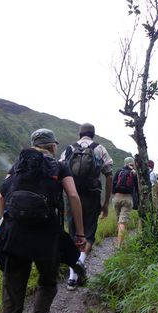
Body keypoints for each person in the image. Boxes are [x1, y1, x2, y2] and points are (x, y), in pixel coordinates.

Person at [0, 128, 86, 313]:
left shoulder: (18, 164)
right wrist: (79, 233)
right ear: (53, 146)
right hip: (46, 239)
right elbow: (73, 196)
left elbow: (1, 196)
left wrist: (4, 221)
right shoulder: (59, 166)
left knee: (11, 305)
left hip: (14, 239)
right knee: (48, 284)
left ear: (33, 144)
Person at [60, 122, 113, 290]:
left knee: (73, 232)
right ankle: (81, 262)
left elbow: (59, 170)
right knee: (89, 232)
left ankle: (72, 278)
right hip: (92, 195)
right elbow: (109, 175)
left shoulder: (69, 148)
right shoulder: (100, 149)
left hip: (72, 195)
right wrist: (106, 203)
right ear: (93, 134)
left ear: (79, 134)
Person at [112, 157, 139, 247]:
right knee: (123, 222)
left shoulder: (119, 171)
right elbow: (137, 188)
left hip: (116, 198)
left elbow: (113, 186)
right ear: (133, 164)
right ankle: (119, 246)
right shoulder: (134, 173)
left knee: (119, 220)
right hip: (127, 198)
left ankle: (120, 242)